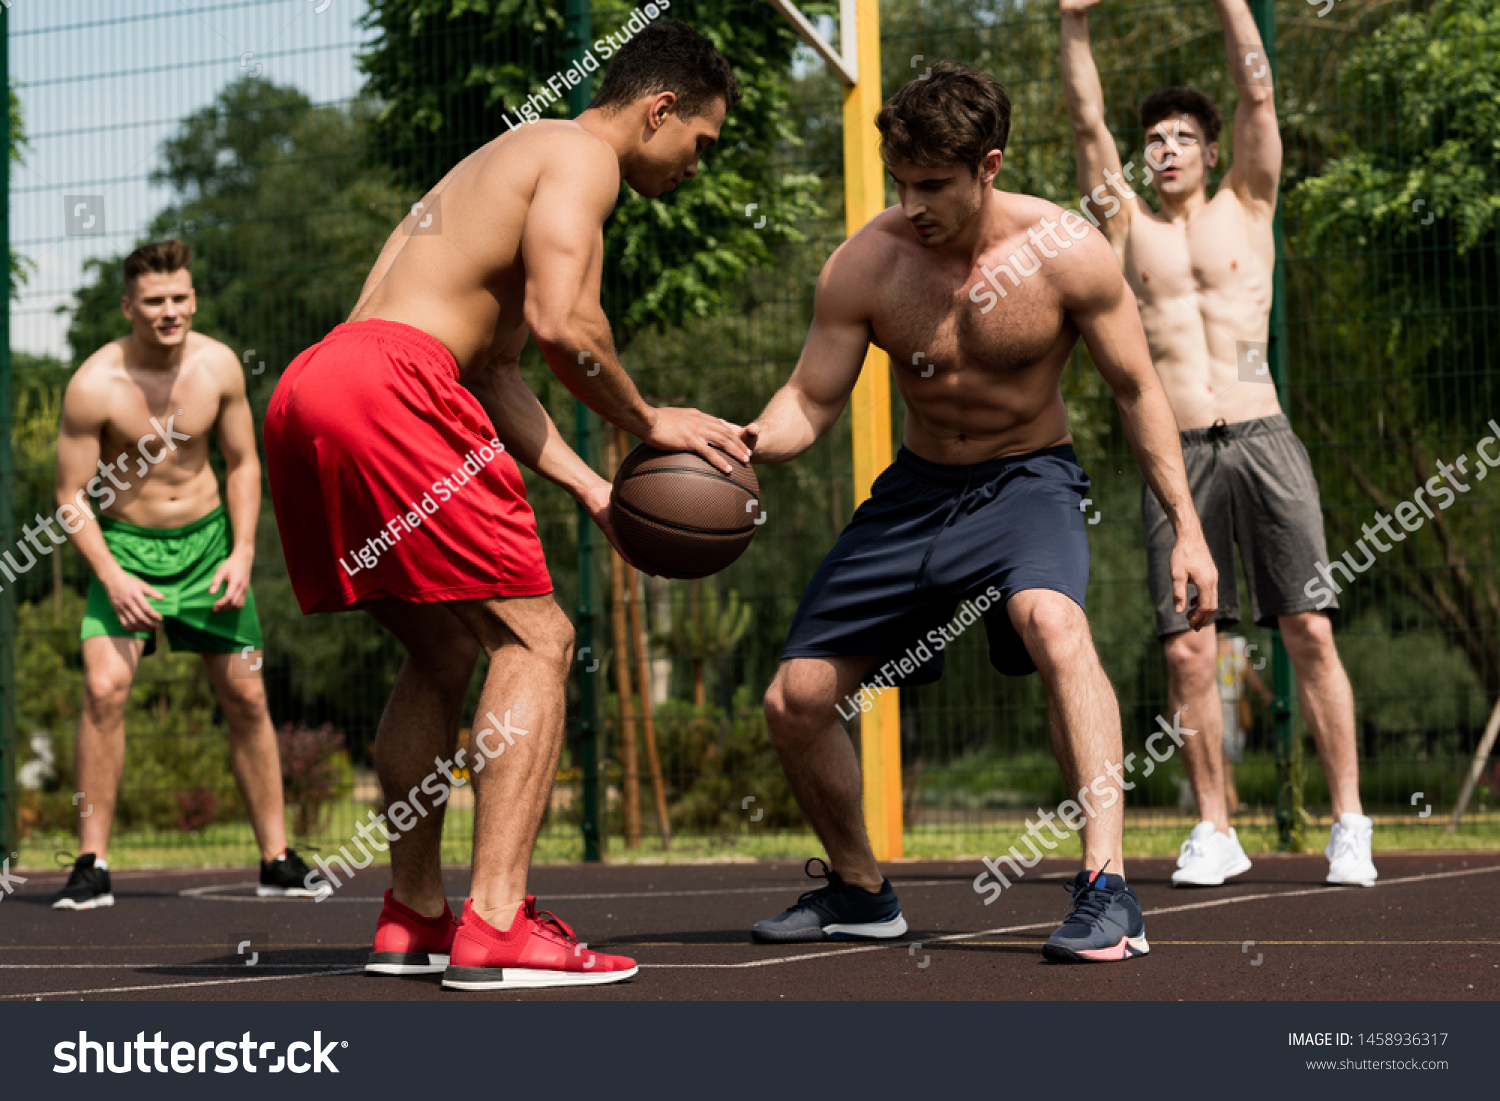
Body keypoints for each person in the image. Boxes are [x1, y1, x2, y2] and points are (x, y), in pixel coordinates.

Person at [265, 20, 753, 990]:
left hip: (315, 390)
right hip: (395, 387)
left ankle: (414, 915)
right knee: (536, 641)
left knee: (442, 650)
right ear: (659, 109)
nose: (698, 165)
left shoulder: (508, 158)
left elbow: (493, 370)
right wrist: (648, 419)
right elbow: (565, 324)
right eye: (700, 142)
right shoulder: (582, 157)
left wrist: (591, 483)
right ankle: (495, 924)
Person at [742, 62, 1218, 963]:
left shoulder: (1068, 252)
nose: (911, 202)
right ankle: (860, 891)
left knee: (1054, 623)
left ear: (988, 166)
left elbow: (1136, 388)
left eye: (933, 185)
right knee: (795, 699)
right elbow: (808, 400)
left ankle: (1107, 889)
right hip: (916, 493)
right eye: (901, 182)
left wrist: (1187, 530)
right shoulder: (866, 264)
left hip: (1028, 479)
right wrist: (745, 443)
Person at [1059, 0, 1377, 888]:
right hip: (1179, 455)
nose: (1163, 148)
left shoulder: (1250, 202)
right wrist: (1073, 23)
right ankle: (1215, 826)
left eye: (1179, 137)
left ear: (1208, 149)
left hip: (1267, 437)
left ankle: (1349, 820)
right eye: (1152, 137)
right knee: (1191, 646)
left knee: (1308, 627)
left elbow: (1259, 98)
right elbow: (1086, 122)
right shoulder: (1127, 226)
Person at [50, 240, 323, 910]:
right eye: (153, 301)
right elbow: (68, 496)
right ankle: (91, 863)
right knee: (105, 687)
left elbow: (242, 463)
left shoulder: (219, 365)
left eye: (179, 297)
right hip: (126, 550)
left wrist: (242, 550)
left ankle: (277, 857)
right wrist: (112, 576)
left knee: (249, 698)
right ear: (128, 306)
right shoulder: (94, 385)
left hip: (208, 549)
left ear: (193, 298)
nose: (169, 311)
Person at [1217, 633, 1271, 812]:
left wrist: (1263, 691)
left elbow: (1247, 671)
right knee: (1223, 754)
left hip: (1235, 708)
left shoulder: (1238, 643)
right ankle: (1230, 801)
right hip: (1214, 707)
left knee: (1230, 754)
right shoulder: (1205, 641)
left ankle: (1225, 800)